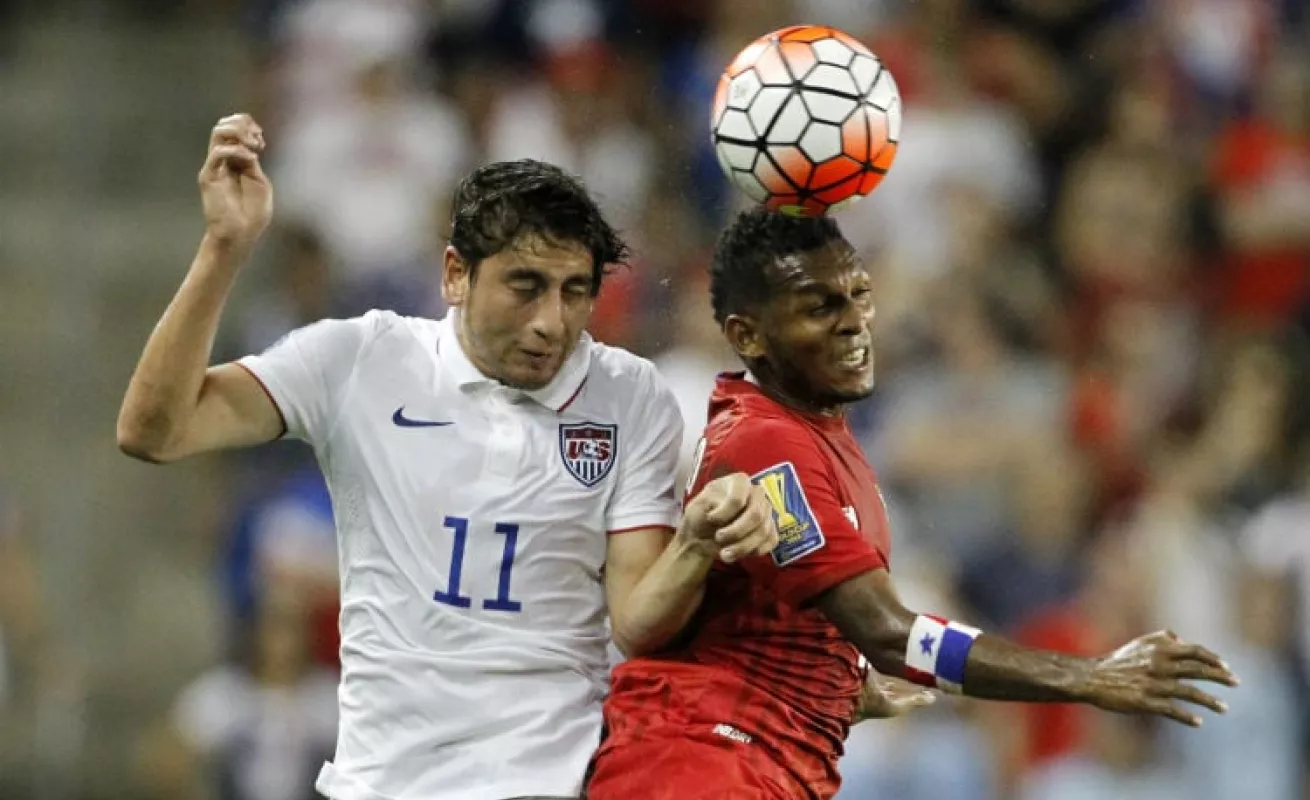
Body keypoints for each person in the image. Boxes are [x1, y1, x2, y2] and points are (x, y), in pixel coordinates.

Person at [116, 114, 778, 800]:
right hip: (384, 784)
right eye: (525, 286)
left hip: (551, 781)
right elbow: (156, 431)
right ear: (456, 274)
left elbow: (638, 621)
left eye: (575, 291)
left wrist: (695, 543)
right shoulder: (361, 360)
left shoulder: (628, 394)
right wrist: (223, 248)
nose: (552, 321)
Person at [585, 209, 1241, 800]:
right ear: (748, 335)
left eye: (858, 296)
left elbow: (757, 622)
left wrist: (839, 684)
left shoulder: (818, 439)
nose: (853, 323)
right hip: (700, 770)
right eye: (817, 308)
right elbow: (888, 631)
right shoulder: (767, 448)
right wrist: (1091, 677)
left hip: (744, 767)